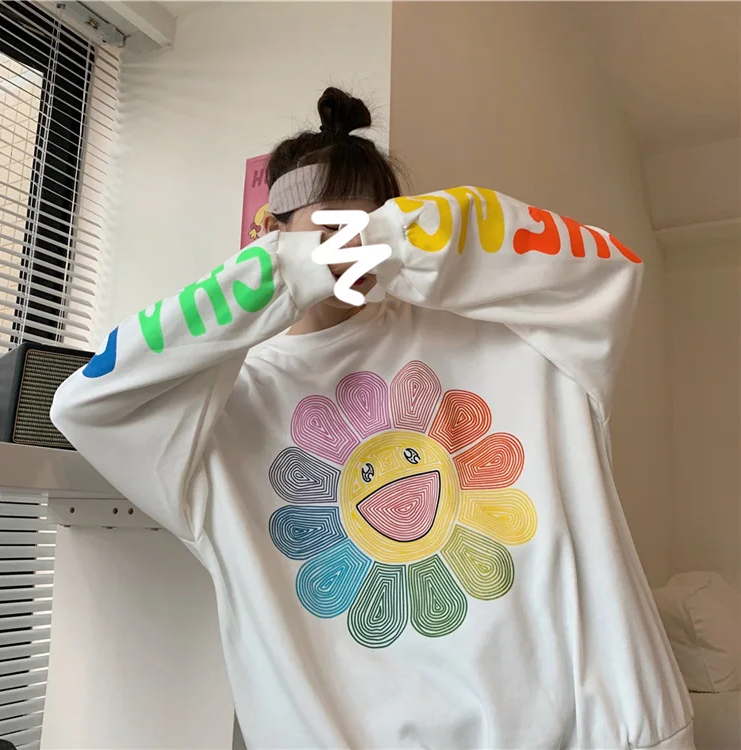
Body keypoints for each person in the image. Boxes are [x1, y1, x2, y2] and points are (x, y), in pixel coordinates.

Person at [51, 88, 694, 749]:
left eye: (374, 222)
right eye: (331, 227)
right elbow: (86, 404)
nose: (352, 243)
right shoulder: (225, 405)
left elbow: (609, 269)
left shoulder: (509, 340)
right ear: (271, 236)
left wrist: (404, 239)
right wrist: (278, 275)